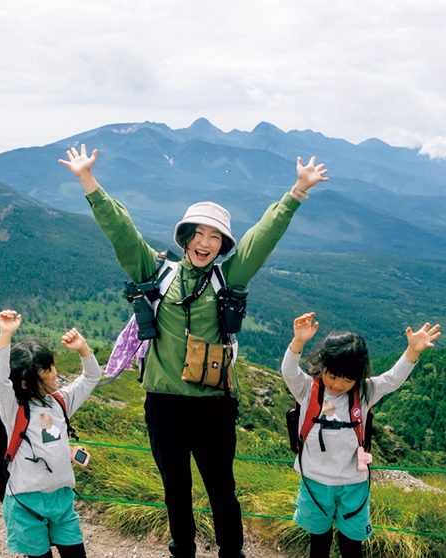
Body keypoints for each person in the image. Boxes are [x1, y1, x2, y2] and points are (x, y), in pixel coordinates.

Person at [58, 144, 329, 558]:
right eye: (198, 233)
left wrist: (296, 192)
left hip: (213, 406)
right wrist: (88, 182)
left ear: (222, 245)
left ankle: (230, 553)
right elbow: (123, 234)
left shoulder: (228, 276)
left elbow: (261, 238)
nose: (205, 242)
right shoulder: (158, 272)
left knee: (222, 488)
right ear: (185, 237)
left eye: (214, 236)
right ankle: (182, 549)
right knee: (175, 489)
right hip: (163, 404)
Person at [282, 311, 441, 558]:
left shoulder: (364, 393)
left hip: (352, 485)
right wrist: (298, 342)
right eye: (332, 376)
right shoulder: (307, 390)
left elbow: (392, 379)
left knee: (352, 544)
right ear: (322, 365)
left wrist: (412, 352)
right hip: (314, 481)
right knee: (319, 543)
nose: (336, 385)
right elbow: (288, 370)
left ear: (359, 376)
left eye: (347, 380)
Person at [0, 309, 101, 558]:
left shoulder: (59, 402)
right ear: (25, 381)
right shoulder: (14, 410)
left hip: (61, 500)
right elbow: (0, 380)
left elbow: (92, 376)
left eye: (52, 367)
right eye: (47, 370)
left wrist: (83, 348)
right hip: (25, 503)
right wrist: (5, 335)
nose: (55, 374)